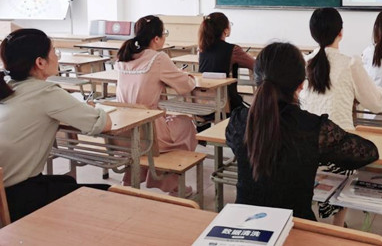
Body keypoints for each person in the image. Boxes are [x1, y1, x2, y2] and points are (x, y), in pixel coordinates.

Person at [226, 42, 378, 221]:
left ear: (256, 79)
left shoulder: (238, 121)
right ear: (301, 85)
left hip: (243, 224)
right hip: (296, 225)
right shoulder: (314, 129)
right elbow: (368, 153)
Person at [0, 28, 112, 221]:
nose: (57, 57)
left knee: (66, 181)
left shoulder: (7, 86)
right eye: (54, 51)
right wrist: (96, 109)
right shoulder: (46, 92)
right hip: (14, 197)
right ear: (40, 62)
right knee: (108, 194)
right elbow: (103, 124)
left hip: (7, 189)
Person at [299, 7, 382, 225]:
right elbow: (376, 104)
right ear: (341, 32)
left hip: (305, 145)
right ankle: (338, 224)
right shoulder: (350, 63)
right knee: (351, 147)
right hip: (339, 151)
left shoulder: (304, 62)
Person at [116, 15, 197, 195]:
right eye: (164, 33)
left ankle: (129, 179)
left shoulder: (123, 56)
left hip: (124, 129)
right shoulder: (158, 58)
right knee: (186, 124)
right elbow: (185, 86)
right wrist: (190, 77)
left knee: (167, 121)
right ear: (156, 39)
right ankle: (173, 185)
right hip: (149, 131)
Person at [197, 12, 255, 113]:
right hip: (227, 105)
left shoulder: (201, 49)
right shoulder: (233, 50)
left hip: (203, 105)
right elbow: (257, 65)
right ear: (226, 30)